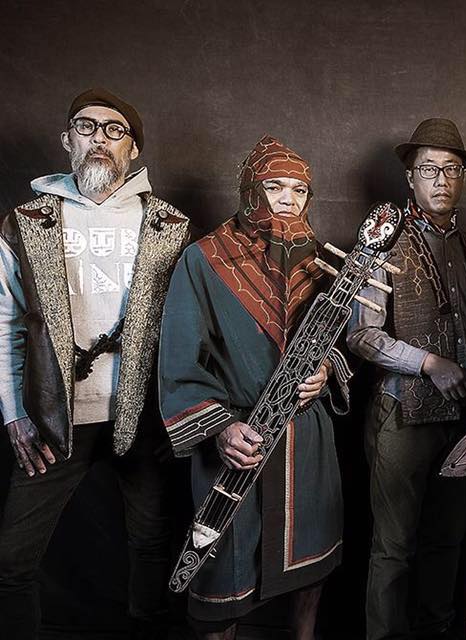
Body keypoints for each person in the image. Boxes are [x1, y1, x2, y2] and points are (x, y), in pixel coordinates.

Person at [0, 88, 191, 639]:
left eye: (114, 130)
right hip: (53, 415)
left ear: (133, 149)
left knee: (152, 547)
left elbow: (191, 328)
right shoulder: (26, 222)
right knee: (12, 562)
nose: (99, 139)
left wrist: (178, 413)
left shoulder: (169, 225)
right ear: (67, 140)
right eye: (86, 127)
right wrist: (15, 413)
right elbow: (5, 323)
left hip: (144, 416)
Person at [158, 136, 351, 640]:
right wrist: (220, 429)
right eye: (274, 187)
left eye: (299, 190)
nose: (288, 199)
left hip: (306, 438)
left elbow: (336, 343)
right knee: (223, 578)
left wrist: (325, 370)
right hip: (238, 437)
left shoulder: (324, 261)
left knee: (310, 570)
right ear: (250, 190)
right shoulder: (204, 259)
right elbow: (179, 358)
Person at [346, 117, 466, 640]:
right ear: (410, 178)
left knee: (448, 541)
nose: (441, 179)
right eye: (429, 169)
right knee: (393, 549)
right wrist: (429, 363)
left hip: (465, 418)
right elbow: (361, 337)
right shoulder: (380, 244)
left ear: (463, 178)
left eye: (452, 169)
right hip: (401, 413)